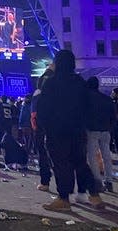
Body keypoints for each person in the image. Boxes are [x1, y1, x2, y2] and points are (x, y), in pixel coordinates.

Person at [36, 50, 104, 212]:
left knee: (61, 165)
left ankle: (63, 198)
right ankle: (94, 195)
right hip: (77, 131)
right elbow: (88, 106)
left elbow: (43, 108)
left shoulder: (51, 83)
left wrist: (44, 127)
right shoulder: (79, 82)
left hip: (57, 131)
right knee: (80, 163)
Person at [85, 76, 116, 193]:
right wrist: (109, 128)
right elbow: (113, 116)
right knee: (106, 156)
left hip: (92, 130)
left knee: (92, 156)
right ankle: (109, 181)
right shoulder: (106, 99)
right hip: (105, 131)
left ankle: (98, 181)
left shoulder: (87, 99)